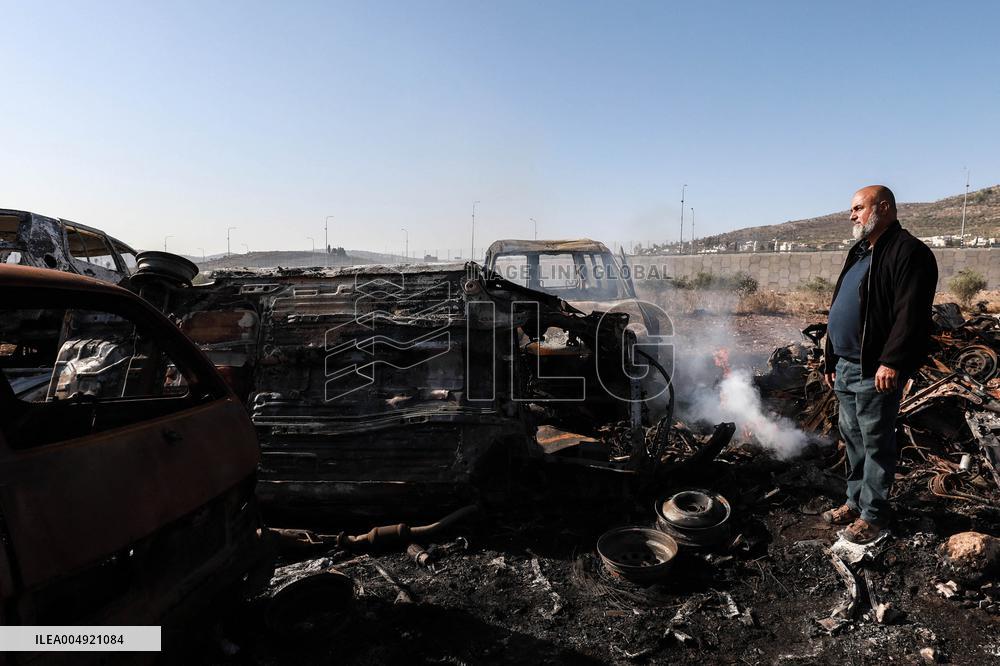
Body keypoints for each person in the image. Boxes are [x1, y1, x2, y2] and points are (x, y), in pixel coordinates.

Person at [820, 185, 938, 544]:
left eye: (858, 208)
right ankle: (854, 502)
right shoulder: (859, 253)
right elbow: (840, 303)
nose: (852, 215)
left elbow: (911, 314)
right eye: (852, 210)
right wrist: (830, 356)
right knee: (853, 439)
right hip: (845, 365)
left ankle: (874, 516)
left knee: (876, 442)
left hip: (875, 370)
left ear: (883, 208)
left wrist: (892, 361)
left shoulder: (909, 252)